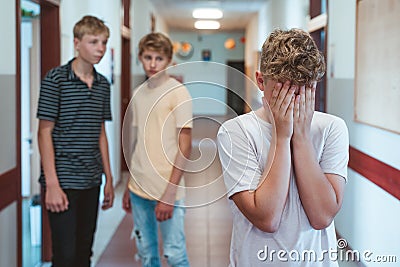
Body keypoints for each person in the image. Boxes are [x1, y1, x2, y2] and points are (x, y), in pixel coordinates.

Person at [217, 28, 349, 266]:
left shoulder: (331, 128)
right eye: (285, 91)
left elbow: (322, 217)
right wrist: (281, 137)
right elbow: (268, 218)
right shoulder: (235, 132)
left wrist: (301, 139)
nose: (294, 102)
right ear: (260, 81)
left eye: (303, 91)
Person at [37, 15, 114, 267]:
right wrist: (52, 184)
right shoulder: (55, 80)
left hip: (91, 179)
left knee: (84, 251)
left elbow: (100, 131)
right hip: (62, 180)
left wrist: (109, 179)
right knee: (64, 256)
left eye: (103, 42)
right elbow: (44, 132)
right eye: (94, 42)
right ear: (77, 43)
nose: (100, 49)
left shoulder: (103, 84)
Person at [122, 32, 192, 267]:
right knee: (146, 255)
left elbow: (185, 146)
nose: (153, 64)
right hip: (138, 189)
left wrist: (170, 195)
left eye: (159, 58)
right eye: (148, 57)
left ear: (170, 60)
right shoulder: (138, 93)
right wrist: (128, 185)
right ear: (140, 58)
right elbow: (138, 143)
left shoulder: (178, 92)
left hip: (167, 189)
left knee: (174, 255)